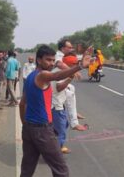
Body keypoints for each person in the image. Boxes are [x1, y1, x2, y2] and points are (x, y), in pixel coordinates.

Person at [19, 45, 92, 177]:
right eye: (48, 60)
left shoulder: (30, 77)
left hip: (29, 128)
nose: (51, 63)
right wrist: (79, 66)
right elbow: (57, 76)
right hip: (42, 129)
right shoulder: (42, 75)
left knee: (27, 168)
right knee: (61, 170)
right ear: (39, 60)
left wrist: (25, 125)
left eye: (53, 60)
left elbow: (22, 104)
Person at [56, 39, 87, 131]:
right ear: (63, 48)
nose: (71, 48)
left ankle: (74, 112)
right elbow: (59, 63)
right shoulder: (58, 55)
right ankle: (74, 123)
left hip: (58, 80)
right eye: (69, 47)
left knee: (71, 87)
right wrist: (72, 72)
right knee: (70, 94)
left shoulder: (65, 55)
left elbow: (77, 61)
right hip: (53, 83)